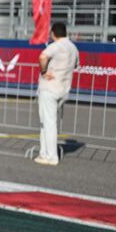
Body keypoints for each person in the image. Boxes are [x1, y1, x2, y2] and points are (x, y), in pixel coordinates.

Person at [35, 22, 79, 166]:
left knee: (48, 123)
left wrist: (43, 72)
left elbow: (43, 57)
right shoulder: (73, 48)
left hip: (49, 88)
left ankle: (51, 156)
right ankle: (44, 152)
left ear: (53, 33)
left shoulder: (55, 46)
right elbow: (77, 65)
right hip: (64, 88)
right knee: (48, 122)